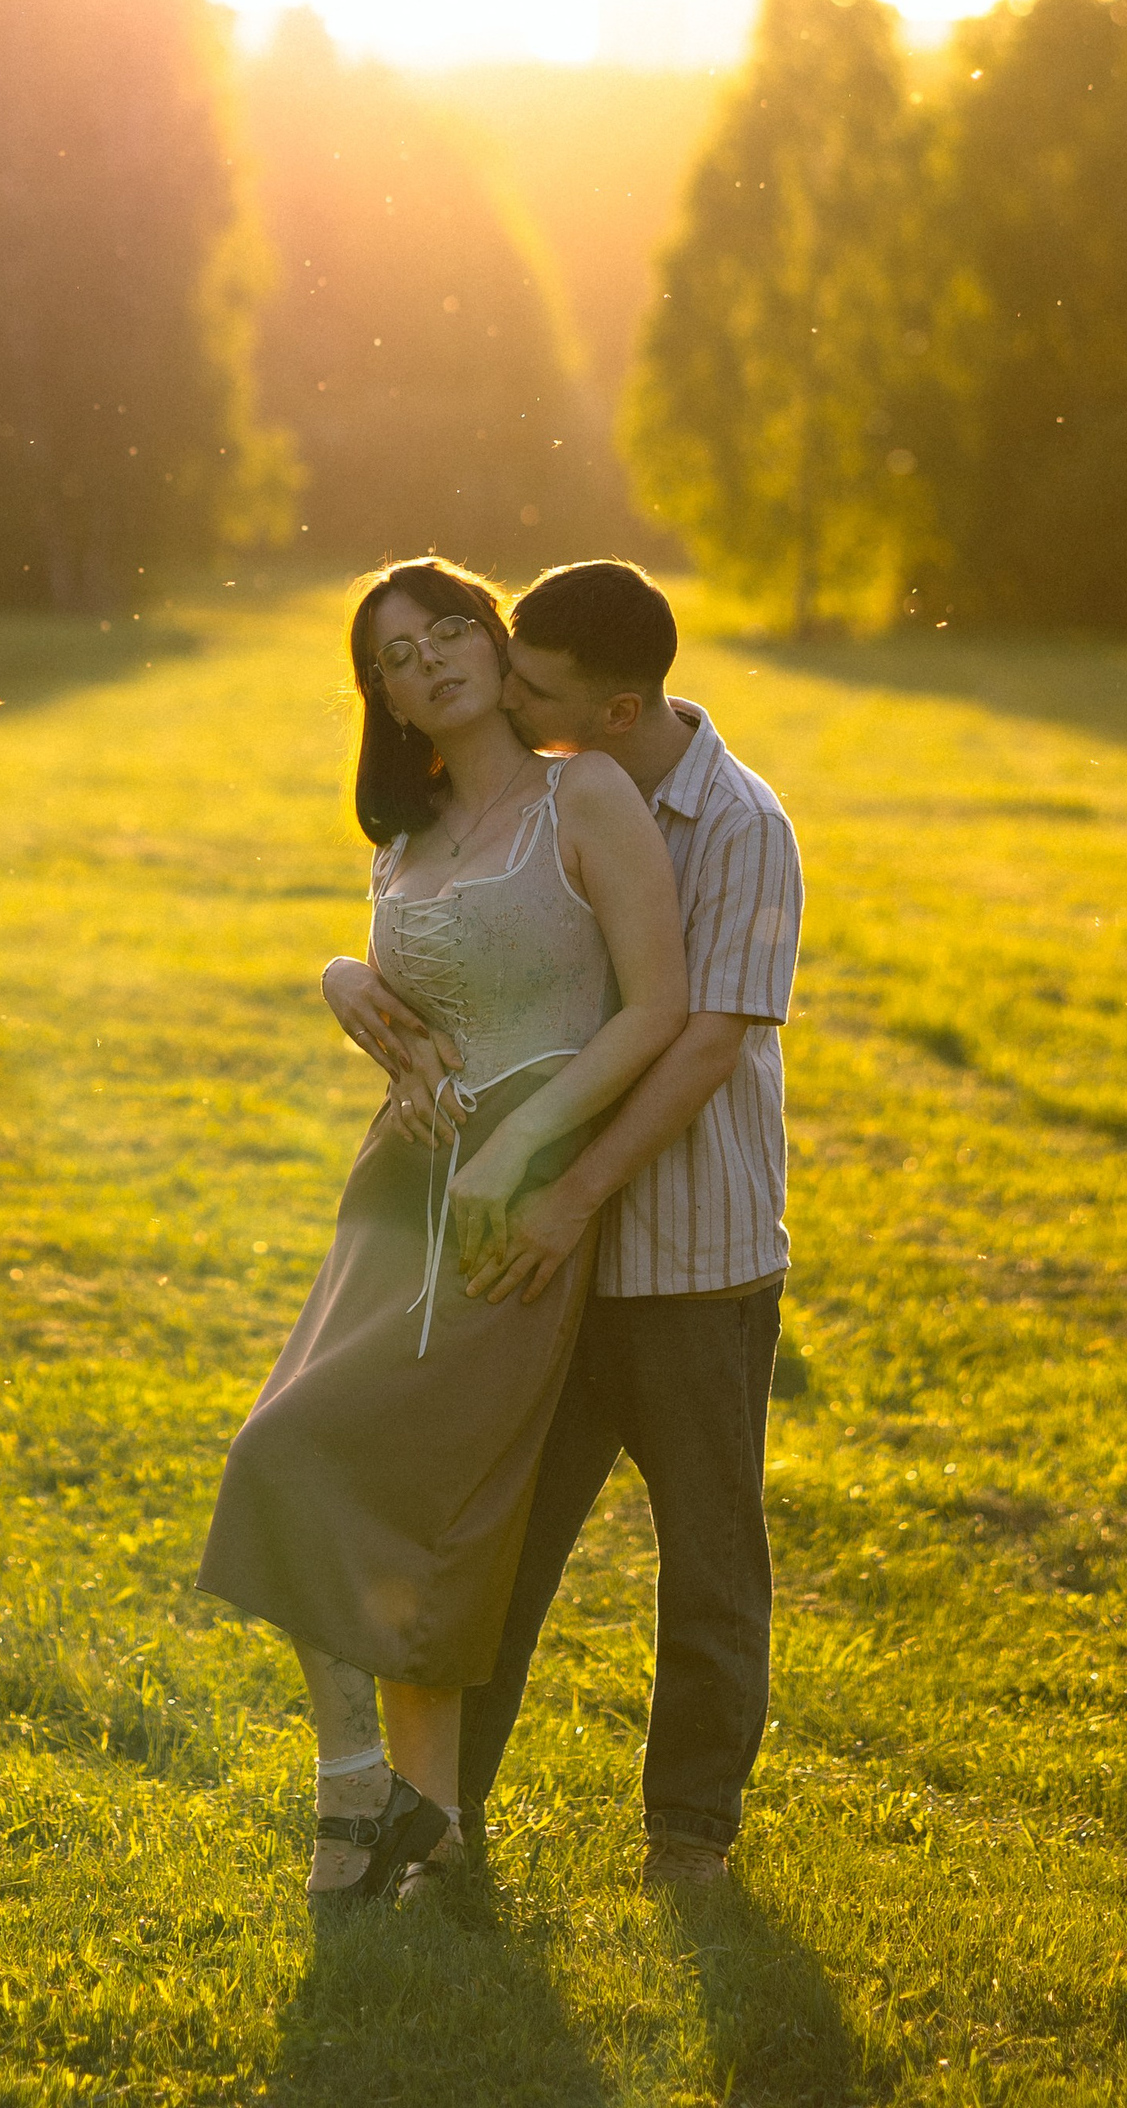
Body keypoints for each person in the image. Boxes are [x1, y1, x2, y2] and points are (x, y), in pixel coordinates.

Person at [197, 558, 689, 1913]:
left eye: (446, 631)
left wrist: (530, 1154)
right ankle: (409, 1815)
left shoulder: (582, 791)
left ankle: (374, 1799)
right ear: (383, 701)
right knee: (296, 1455)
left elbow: (655, 1007)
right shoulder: (401, 841)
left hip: (514, 1198)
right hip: (398, 1192)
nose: (428, 663)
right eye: (393, 658)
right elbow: (406, 999)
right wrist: (340, 974)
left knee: (371, 1479)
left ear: (492, 632)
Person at [320, 559, 802, 1890]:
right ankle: (444, 1819)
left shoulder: (739, 825)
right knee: (502, 1550)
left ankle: (689, 1837)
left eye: (537, 690)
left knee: (709, 1562)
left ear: (623, 706)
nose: (509, 702)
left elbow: (703, 1045)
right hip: (547, 1253)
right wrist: (348, 975)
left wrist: (573, 1194)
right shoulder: (547, 800)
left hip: (689, 1259)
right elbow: (472, 950)